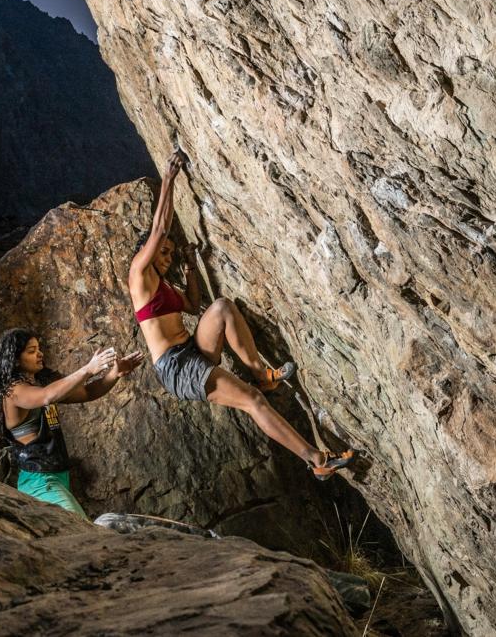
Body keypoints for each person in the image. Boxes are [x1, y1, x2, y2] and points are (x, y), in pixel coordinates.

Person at [128, 151, 354, 480]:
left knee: (222, 308)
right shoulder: (139, 274)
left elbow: (192, 306)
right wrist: (169, 178)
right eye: (164, 252)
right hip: (176, 367)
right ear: (146, 252)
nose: (166, 258)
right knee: (252, 401)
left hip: (190, 349)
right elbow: (160, 227)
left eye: (170, 255)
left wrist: (190, 268)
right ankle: (317, 459)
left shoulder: (164, 286)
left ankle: (261, 374)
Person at [0, 328, 144, 517]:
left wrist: (113, 374)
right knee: (81, 531)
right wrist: (87, 369)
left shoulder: (39, 384)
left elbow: (88, 392)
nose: (40, 354)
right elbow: (46, 396)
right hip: (40, 481)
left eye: (39, 348)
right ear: (15, 359)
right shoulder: (12, 391)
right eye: (31, 351)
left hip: (58, 477)